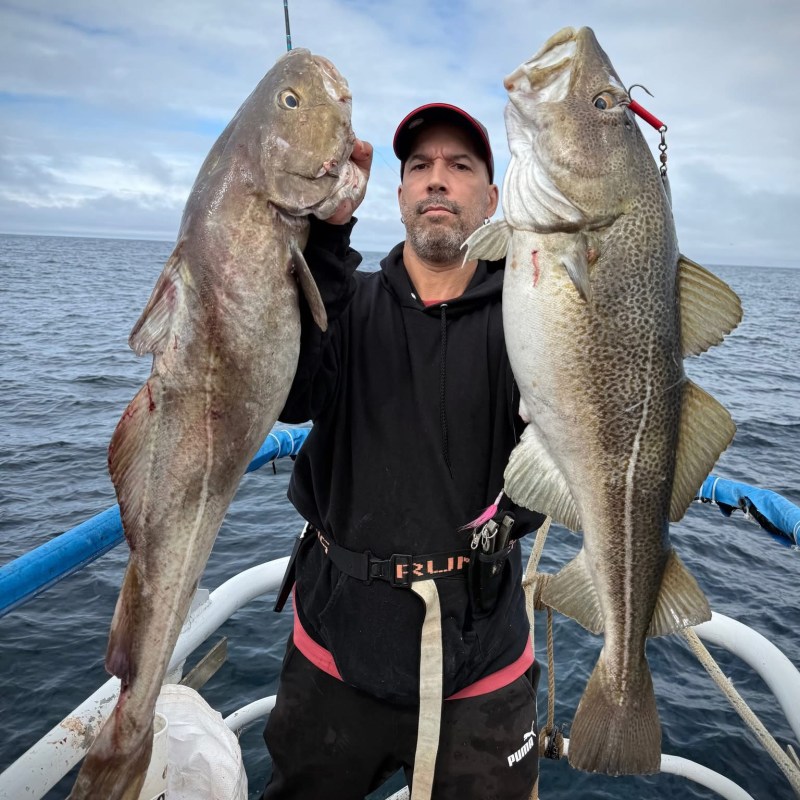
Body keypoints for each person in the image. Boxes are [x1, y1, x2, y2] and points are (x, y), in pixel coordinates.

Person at [262, 103, 545, 800]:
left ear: (492, 196)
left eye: (459, 166)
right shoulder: (346, 302)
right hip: (335, 645)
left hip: (481, 662)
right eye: (419, 167)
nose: (437, 181)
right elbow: (295, 396)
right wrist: (326, 236)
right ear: (398, 196)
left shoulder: (533, 319)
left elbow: (564, 444)